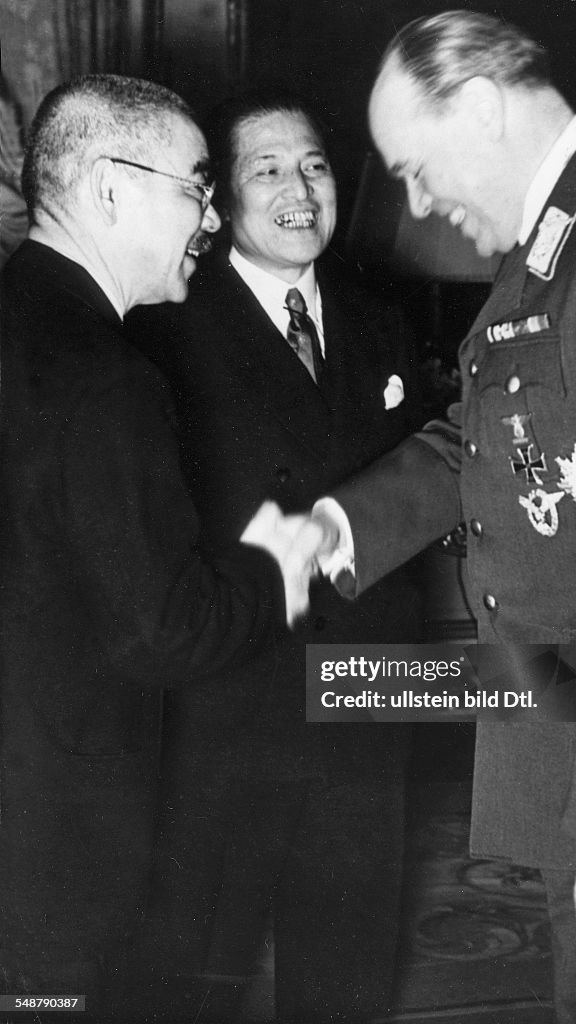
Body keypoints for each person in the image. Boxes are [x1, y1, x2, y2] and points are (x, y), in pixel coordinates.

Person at [280, 11, 576, 1023]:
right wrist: (342, 525)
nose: (421, 202)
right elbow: (492, 429)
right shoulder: (562, 248)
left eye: (417, 168)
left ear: (478, 109)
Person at [0, 74, 300, 1023]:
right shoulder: (109, 376)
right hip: (61, 831)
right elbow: (163, 635)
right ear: (109, 189)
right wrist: (275, 569)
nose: (213, 220)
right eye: (197, 187)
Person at [128, 92, 421, 1024]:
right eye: (267, 170)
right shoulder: (160, 331)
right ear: (217, 199)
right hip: (227, 722)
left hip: (364, 709)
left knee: (347, 976)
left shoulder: (385, 320)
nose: (300, 191)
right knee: (192, 976)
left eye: (316, 166)